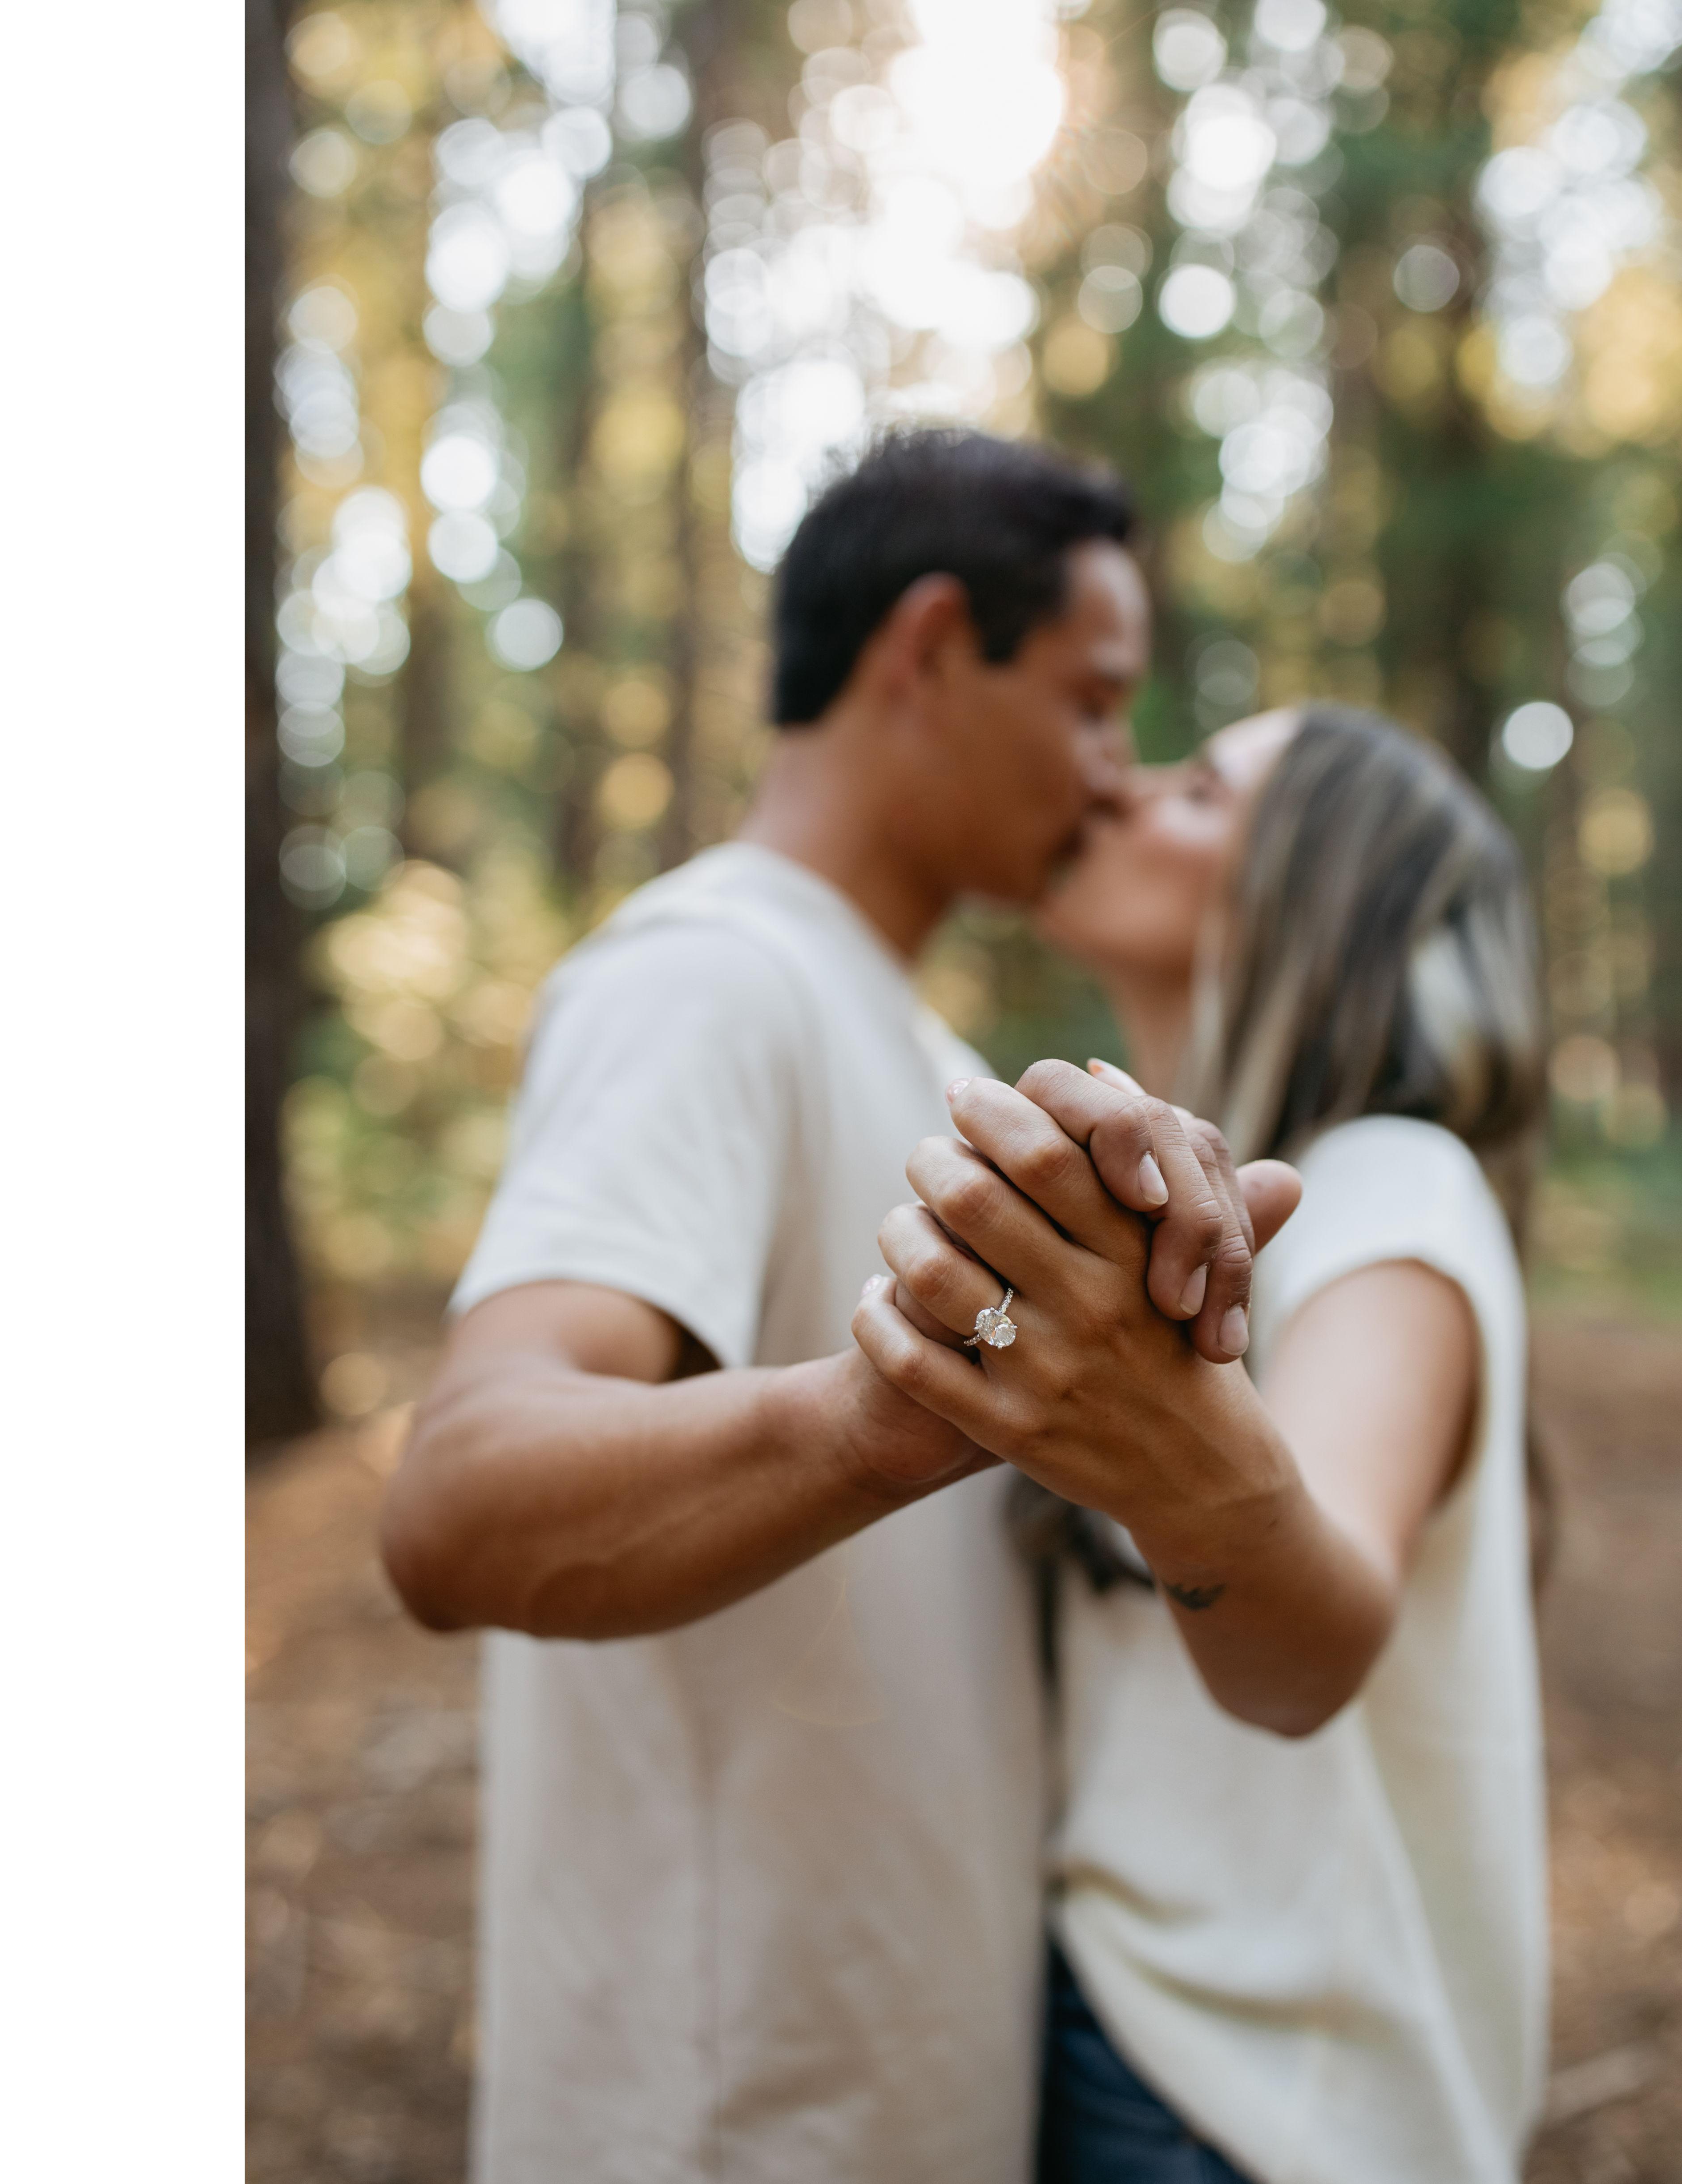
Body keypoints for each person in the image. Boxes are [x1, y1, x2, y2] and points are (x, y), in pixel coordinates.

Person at [377, 429, 1289, 2184]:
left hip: (889, 2095)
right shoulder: (712, 973)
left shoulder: (909, 1035)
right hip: (714, 2128)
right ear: (932, 648)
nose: (1113, 772)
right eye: (1093, 701)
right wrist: (890, 1413)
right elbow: (458, 1498)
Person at [854, 702, 1552, 2183]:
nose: (1119, 787)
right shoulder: (1167, 1207)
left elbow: (1307, 1650)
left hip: (1245, 2087)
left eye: (1199, 791)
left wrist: (1131, 1420)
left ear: (1317, 896)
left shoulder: (1389, 1187)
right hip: (1140, 2016)